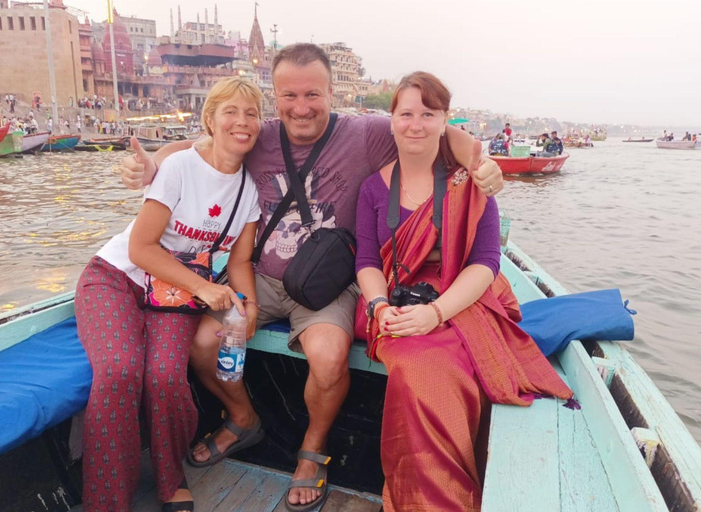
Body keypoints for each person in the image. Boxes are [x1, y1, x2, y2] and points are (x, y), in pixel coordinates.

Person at [119, 43, 504, 512]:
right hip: (257, 272)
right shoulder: (258, 135)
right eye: (289, 96)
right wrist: (150, 164)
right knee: (202, 344)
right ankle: (243, 416)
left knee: (327, 356)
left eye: (313, 95)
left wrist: (481, 163)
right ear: (275, 97)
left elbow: (433, 128)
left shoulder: (365, 133)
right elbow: (196, 146)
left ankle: (311, 450)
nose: (301, 108)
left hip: (325, 285)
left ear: (330, 92)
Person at [354, 71, 572, 512]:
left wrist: (435, 313)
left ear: (444, 120)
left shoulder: (470, 182)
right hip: (389, 303)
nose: (416, 124)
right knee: (417, 364)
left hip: (459, 297)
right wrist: (378, 307)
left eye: (428, 114)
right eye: (406, 114)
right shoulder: (373, 187)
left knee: (442, 364)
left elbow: (485, 263)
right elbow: (366, 263)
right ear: (391, 120)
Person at [74, 76, 263, 512]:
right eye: (230, 111)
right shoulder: (180, 167)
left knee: (163, 376)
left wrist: (248, 304)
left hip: (172, 294)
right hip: (116, 279)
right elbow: (141, 248)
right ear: (209, 120)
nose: (241, 121)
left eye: (251, 113)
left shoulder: (249, 191)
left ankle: (169, 475)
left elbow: (238, 262)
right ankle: (106, 501)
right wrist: (203, 287)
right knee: (119, 370)